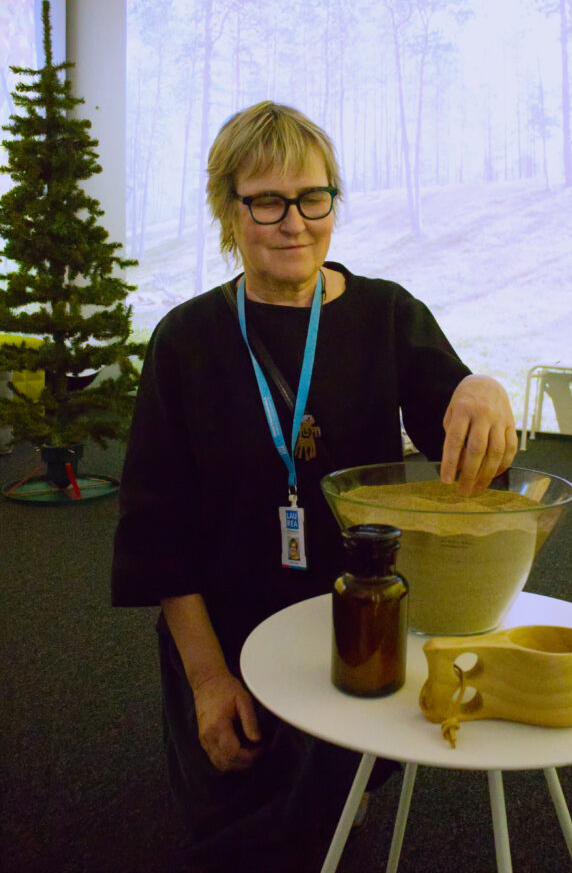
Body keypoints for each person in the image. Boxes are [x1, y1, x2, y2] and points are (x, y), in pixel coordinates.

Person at [111, 101, 517, 871]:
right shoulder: (186, 340)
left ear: (334, 199)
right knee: (232, 804)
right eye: (266, 200)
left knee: (328, 822)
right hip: (223, 622)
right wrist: (207, 679)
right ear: (229, 210)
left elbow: (471, 458)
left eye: (313, 197)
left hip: (355, 614)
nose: (294, 222)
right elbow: (157, 532)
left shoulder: (387, 314)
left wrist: (485, 389)